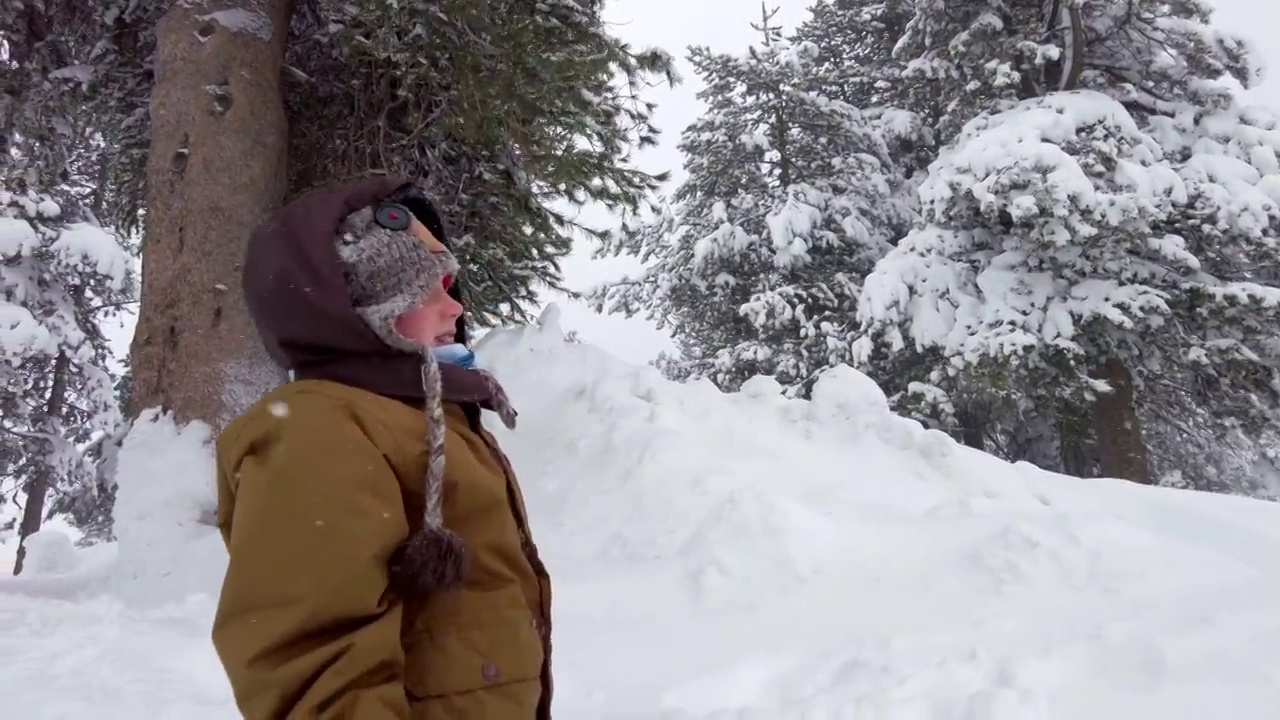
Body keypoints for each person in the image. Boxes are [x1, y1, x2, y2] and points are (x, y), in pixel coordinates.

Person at [210, 175, 553, 719]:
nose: (454, 308)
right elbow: (315, 659)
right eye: (426, 290)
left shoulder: (419, 413)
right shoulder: (318, 427)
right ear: (363, 310)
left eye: (449, 284)